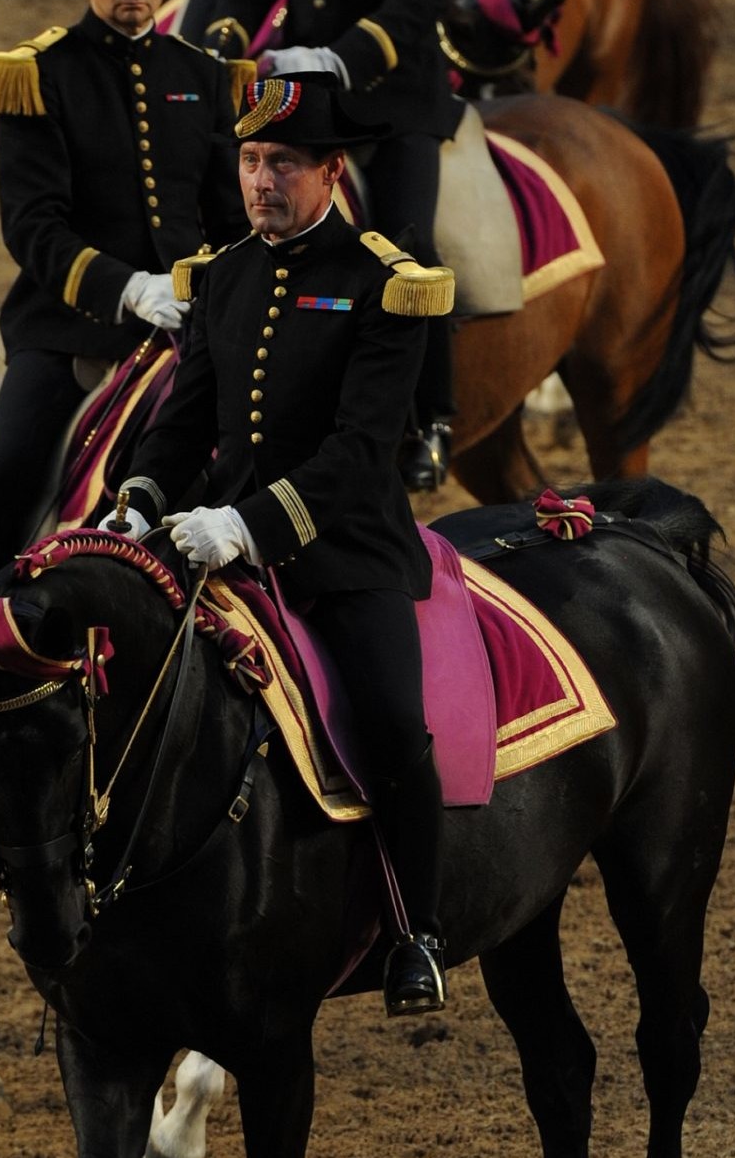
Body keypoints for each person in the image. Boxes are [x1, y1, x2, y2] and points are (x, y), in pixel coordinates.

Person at [113, 73, 451, 1015]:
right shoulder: (222, 273)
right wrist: (138, 502)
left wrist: (246, 525)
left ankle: (417, 930)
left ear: (331, 171)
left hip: (343, 555)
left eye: (284, 164)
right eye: (252, 160)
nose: (262, 181)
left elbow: (356, 454)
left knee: (389, 719)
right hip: (216, 547)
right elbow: (182, 428)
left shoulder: (387, 283)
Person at [0, 0, 248, 620]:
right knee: (10, 466)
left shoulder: (204, 77)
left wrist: (217, 288)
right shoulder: (36, 75)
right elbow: (32, 226)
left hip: (184, 325)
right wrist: (124, 288)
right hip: (68, 325)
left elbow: (230, 219)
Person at [197, 0, 493, 489]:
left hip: (396, 96)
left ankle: (431, 419)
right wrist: (224, 39)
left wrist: (335, 59)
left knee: (406, 244)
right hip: (310, 94)